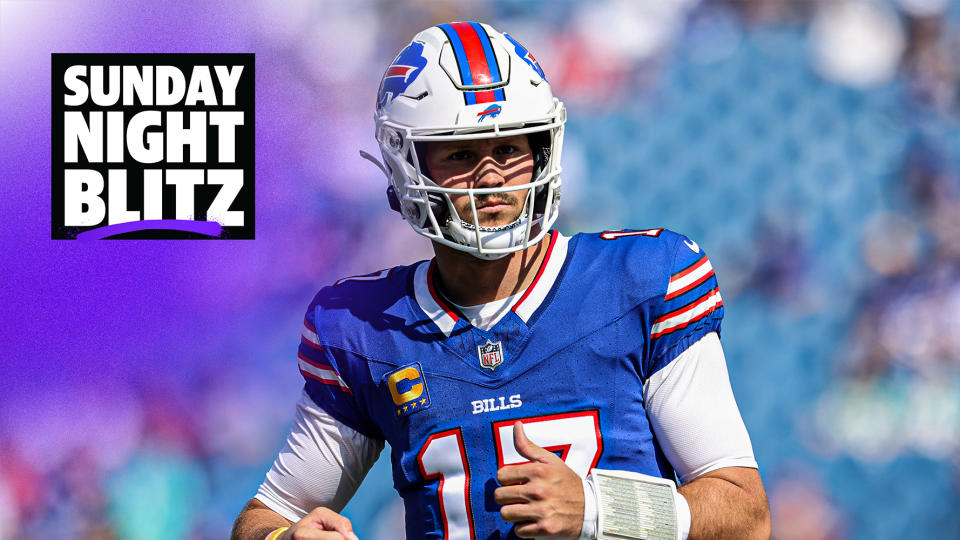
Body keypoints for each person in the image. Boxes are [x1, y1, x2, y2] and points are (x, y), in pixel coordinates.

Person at [232, 21, 769, 540]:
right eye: (462, 154)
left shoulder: (641, 282)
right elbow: (265, 516)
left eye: (510, 149)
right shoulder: (362, 327)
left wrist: (602, 510)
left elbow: (745, 516)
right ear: (407, 166)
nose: (491, 176)